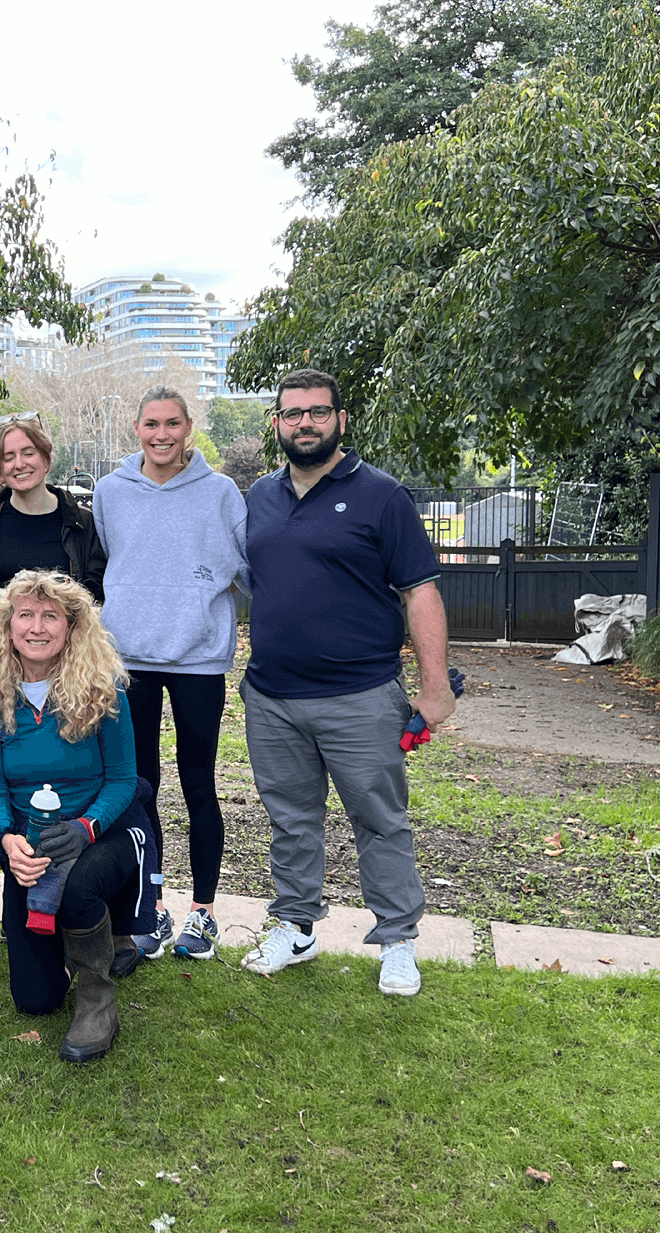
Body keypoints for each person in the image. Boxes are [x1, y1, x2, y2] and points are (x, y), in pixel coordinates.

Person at [238, 367, 454, 998]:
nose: (305, 422)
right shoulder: (257, 498)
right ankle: (296, 927)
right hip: (272, 697)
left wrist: (435, 689)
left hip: (361, 696)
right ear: (276, 422)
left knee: (380, 821)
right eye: (293, 412)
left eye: (318, 412)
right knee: (290, 819)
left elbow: (420, 592)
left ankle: (397, 941)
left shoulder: (382, 496)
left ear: (340, 419)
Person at [0, 569, 157, 1063]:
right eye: (25, 615)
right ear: (7, 626)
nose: (36, 627)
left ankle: (98, 994)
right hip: (34, 842)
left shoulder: (104, 690)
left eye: (49, 616)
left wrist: (84, 827)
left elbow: (123, 780)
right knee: (36, 1000)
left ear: (71, 627)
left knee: (79, 888)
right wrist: (7, 840)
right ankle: (80, 935)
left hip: (104, 829)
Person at [91, 384, 249, 961]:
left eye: (173, 424)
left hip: (199, 659)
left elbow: (250, 567)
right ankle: (150, 908)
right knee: (140, 787)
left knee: (198, 782)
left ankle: (202, 912)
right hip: (129, 659)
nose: (162, 434)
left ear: (189, 429)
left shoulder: (222, 493)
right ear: (137, 429)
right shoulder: (111, 493)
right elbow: (112, 561)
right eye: (151, 424)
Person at [0, 415, 106, 727]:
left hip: (65, 672)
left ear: (45, 457)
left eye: (28, 453)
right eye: (8, 457)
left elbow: (93, 595)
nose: (19, 464)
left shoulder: (80, 523)